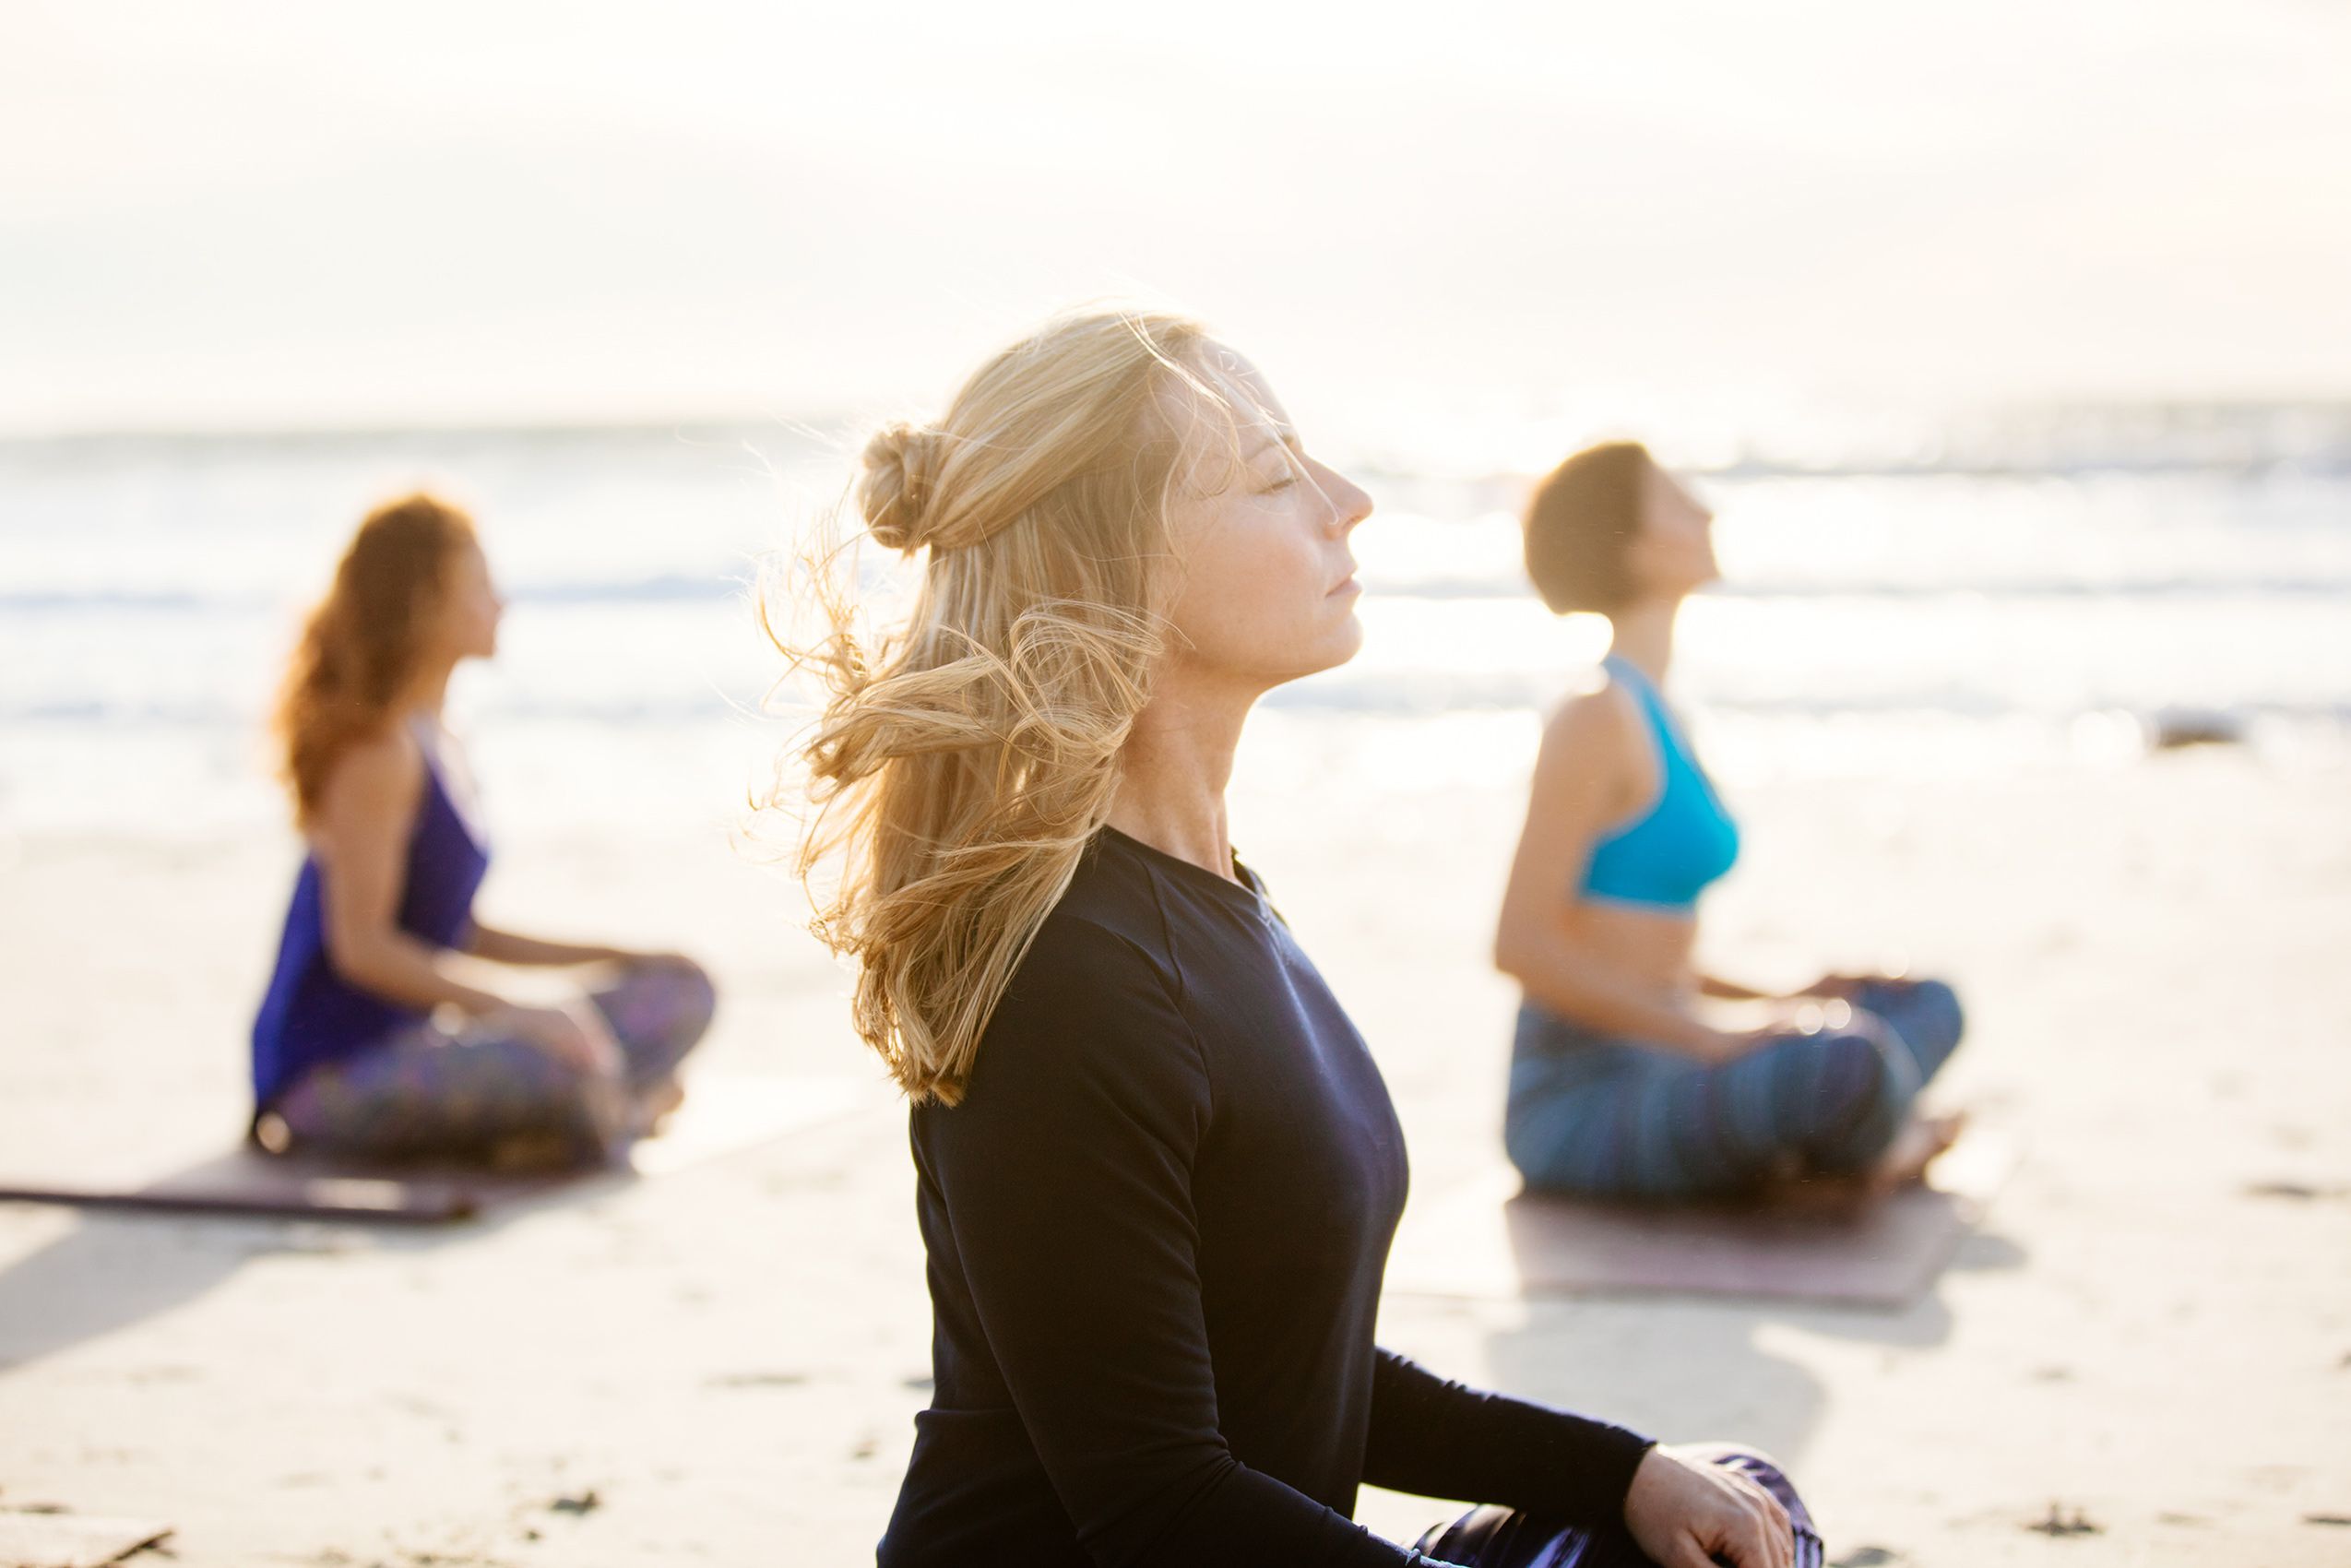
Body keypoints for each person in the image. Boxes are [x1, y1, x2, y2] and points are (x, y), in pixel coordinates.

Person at [777, 310, 1821, 1567]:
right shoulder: (1064, 980)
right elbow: (1161, 1503)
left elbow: (1295, 1360)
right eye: (1276, 477)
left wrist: (1624, 1470)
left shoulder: (1219, 900)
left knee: (1727, 1508)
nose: (1351, 501)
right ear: (1127, 567)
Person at [1494, 441, 1965, 1204]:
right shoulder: (1592, 716)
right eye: (1678, 500)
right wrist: (1717, 1039)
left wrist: (1778, 994)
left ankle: (1852, 1143)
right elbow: (1521, 946)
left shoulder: (1658, 710)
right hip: (1581, 1100)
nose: (1707, 510)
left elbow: (1644, 958)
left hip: (1672, 1054)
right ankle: (1877, 1143)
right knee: (1848, 1063)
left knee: (1921, 1002)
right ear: (1635, 548)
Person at [250, 492, 714, 1169]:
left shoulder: (440, 736)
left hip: (429, 1045)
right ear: (425, 603)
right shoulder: (375, 753)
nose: (502, 604)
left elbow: (456, 931)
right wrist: (517, 1010)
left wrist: (620, 955)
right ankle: (615, 1109)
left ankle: (601, 1108)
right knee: (564, 1066)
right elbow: (364, 949)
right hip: (330, 1081)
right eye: (481, 586)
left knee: (683, 989)